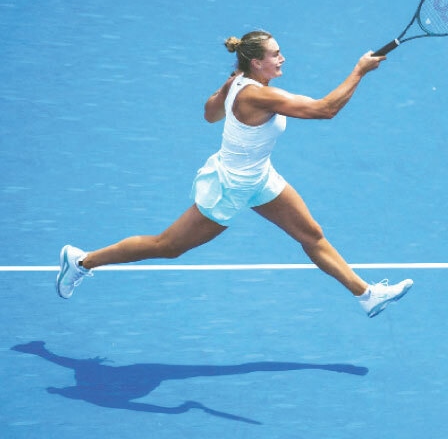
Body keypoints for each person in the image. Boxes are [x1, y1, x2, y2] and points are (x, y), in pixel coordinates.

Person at [56, 30, 412, 318]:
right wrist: (359, 71)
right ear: (256, 62)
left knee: (312, 235)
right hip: (230, 187)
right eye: (275, 54)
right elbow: (325, 109)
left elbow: (210, 114)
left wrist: (227, 86)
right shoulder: (257, 96)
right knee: (167, 246)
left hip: (259, 177)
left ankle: (366, 294)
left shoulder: (240, 81)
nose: (282, 57)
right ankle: (83, 261)